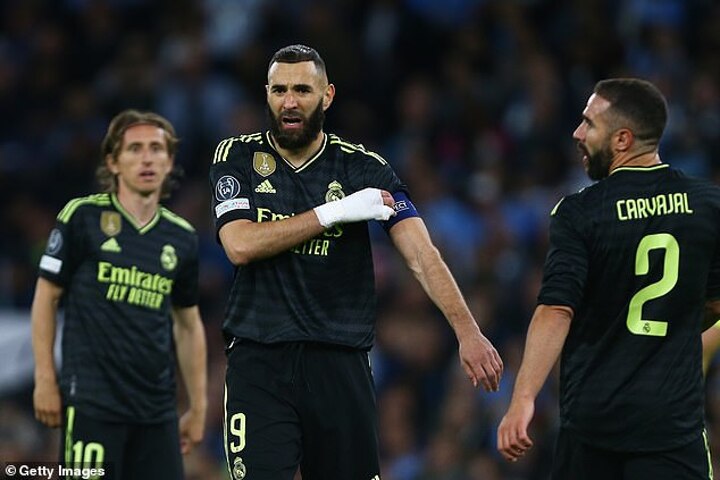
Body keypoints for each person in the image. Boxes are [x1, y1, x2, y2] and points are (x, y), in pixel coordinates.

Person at [209, 44, 503, 480]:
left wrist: (468, 331)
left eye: (302, 90)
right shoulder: (237, 156)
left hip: (340, 363)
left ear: (327, 96)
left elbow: (421, 253)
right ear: (266, 94)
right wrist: (333, 213)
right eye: (279, 90)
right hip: (260, 361)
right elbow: (239, 244)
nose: (289, 102)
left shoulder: (363, 168)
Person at [497, 78, 720, 479]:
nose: (577, 133)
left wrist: (523, 397)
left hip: (593, 431)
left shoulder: (580, 213)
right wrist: (675, 326)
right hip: (672, 429)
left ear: (622, 140)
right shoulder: (708, 206)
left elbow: (555, 310)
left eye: (589, 124)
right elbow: (716, 302)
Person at [31, 109, 208, 479]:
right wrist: (45, 379)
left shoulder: (182, 237)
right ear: (113, 162)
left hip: (157, 411)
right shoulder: (82, 217)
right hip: (91, 402)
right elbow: (46, 297)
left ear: (170, 161)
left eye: (156, 149)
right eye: (135, 149)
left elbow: (188, 324)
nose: (147, 159)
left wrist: (198, 405)